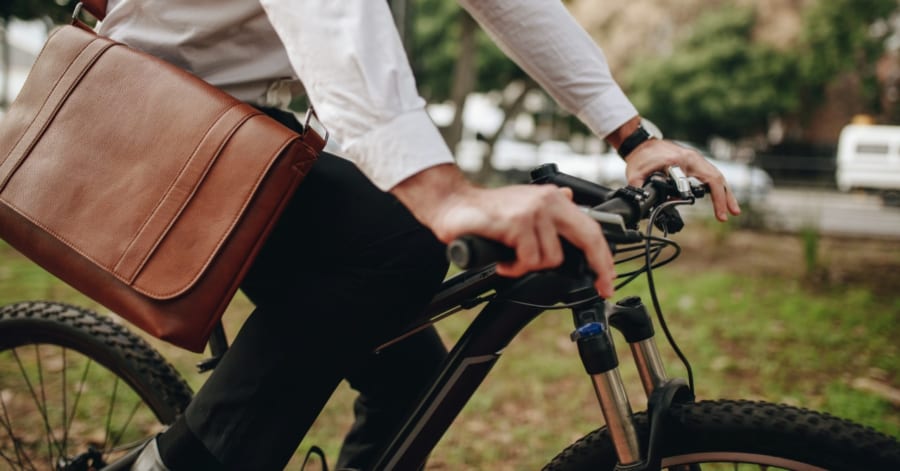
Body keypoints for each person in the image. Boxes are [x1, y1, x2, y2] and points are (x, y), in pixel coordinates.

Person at [95, 0, 741, 469]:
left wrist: (633, 137)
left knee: (413, 382)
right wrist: (444, 197)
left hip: (242, 133)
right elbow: (331, 19)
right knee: (401, 242)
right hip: (150, 123)